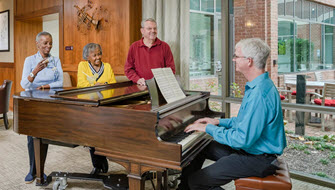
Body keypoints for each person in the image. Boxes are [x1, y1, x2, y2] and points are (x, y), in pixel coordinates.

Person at [178, 38, 287, 190]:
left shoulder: (259, 94)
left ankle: (191, 185)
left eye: (236, 56)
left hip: (258, 159)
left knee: (196, 181)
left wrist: (208, 129)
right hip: (251, 151)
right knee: (201, 147)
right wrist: (217, 122)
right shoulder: (258, 86)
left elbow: (242, 139)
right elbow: (243, 122)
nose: (234, 59)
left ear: (249, 61)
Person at [20, 31, 63, 183]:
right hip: (32, 104)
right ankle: (32, 171)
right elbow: (24, 84)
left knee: (43, 138)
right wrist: (35, 71)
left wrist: (46, 86)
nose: (48, 46)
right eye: (45, 43)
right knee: (32, 138)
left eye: (50, 43)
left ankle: (40, 170)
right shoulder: (29, 60)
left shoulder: (55, 60)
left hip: (49, 103)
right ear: (37, 44)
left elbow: (61, 83)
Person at [77, 43, 115, 175]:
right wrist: (98, 84)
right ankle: (98, 165)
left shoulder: (108, 66)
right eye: (94, 55)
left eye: (99, 54)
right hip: (89, 107)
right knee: (92, 135)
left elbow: (113, 84)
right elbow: (81, 84)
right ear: (87, 57)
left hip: (106, 107)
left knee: (105, 134)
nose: (98, 57)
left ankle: (102, 161)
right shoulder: (82, 66)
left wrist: (98, 84)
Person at [124, 18, 176, 86]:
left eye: (155, 28)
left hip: (160, 87)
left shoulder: (165, 46)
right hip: (140, 88)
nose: (153, 31)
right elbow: (128, 69)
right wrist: (137, 79)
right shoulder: (134, 47)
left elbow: (171, 69)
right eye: (149, 28)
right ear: (142, 31)